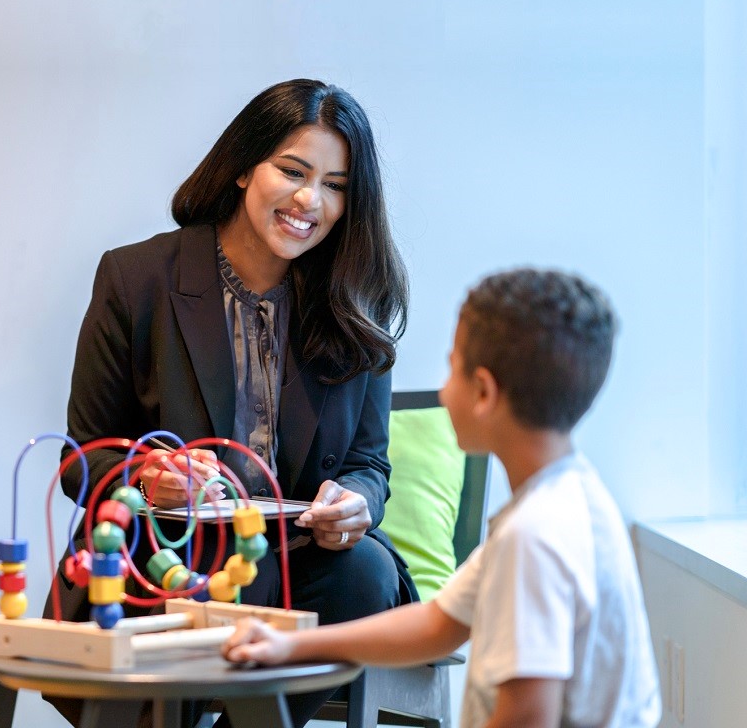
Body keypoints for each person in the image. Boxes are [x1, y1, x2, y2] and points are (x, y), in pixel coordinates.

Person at [48, 78, 416, 727]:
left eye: (335, 185)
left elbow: (369, 466)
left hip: (301, 565)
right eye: (293, 171)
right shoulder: (137, 280)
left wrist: (356, 502)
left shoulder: (352, 301)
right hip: (167, 552)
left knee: (365, 572)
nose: (311, 200)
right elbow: (83, 462)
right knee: (197, 576)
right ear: (245, 167)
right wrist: (148, 478)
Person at [223, 268, 662, 728]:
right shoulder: (568, 500)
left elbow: (528, 716)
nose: (444, 390)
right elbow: (438, 624)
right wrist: (289, 644)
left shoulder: (536, 536)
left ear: (484, 392)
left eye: (452, 368)